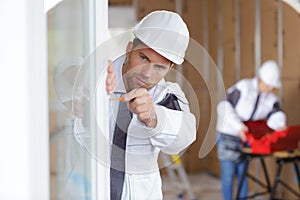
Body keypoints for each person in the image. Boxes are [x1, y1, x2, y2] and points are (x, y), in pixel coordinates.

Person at [104, 10, 196, 200]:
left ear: (169, 68)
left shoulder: (166, 95)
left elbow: (184, 137)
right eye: (143, 58)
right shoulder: (99, 79)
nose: (146, 74)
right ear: (129, 49)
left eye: (160, 67)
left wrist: (154, 118)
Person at [216, 60, 286, 200]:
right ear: (261, 79)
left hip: (247, 139)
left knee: (243, 175)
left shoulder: (270, 98)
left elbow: (276, 114)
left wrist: (280, 124)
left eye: (272, 87)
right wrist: (239, 127)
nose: (271, 89)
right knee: (229, 175)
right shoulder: (244, 87)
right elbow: (223, 106)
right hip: (228, 136)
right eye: (268, 85)